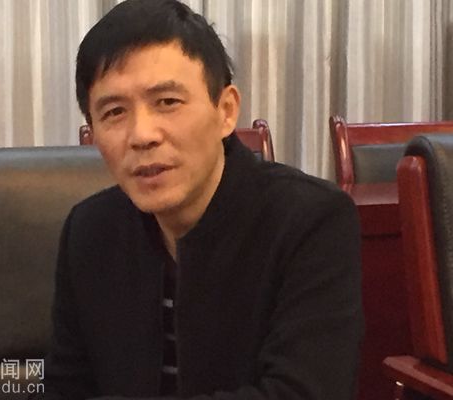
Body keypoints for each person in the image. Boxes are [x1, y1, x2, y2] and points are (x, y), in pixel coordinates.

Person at [40, 0, 363, 399]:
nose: (142, 135)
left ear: (226, 111)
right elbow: (64, 387)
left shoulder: (310, 221)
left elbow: (305, 392)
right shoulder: (90, 230)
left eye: (167, 102)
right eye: (114, 112)